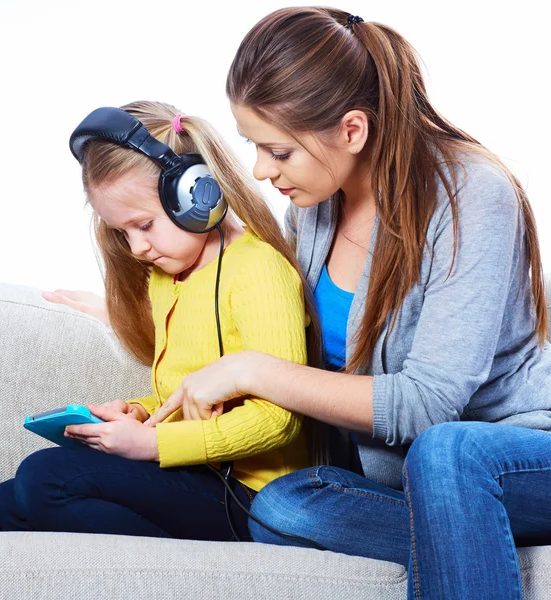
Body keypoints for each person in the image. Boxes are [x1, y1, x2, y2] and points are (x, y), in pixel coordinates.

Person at [144, 8, 551, 600]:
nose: (260, 171)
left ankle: (468, 526)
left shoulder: (472, 195)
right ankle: (469, 539)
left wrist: (257, 371)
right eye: (253, 147)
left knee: (449, 450)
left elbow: (429, 406)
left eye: (279, 152)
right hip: (412, 485)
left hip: (519, 456)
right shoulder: (311, 212)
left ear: (353, 130)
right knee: (284, 504)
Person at [0, 100, 321, 543]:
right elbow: (185, 391)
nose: (137, 247)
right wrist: (142, 411)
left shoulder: (257, 269)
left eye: (143, 224)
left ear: (197, 194)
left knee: (45, 479)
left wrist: (150, 444)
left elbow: (280, 421)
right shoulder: (167, 277)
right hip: (195, 472)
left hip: (252, 495)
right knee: (6, 502)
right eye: (123, 233)